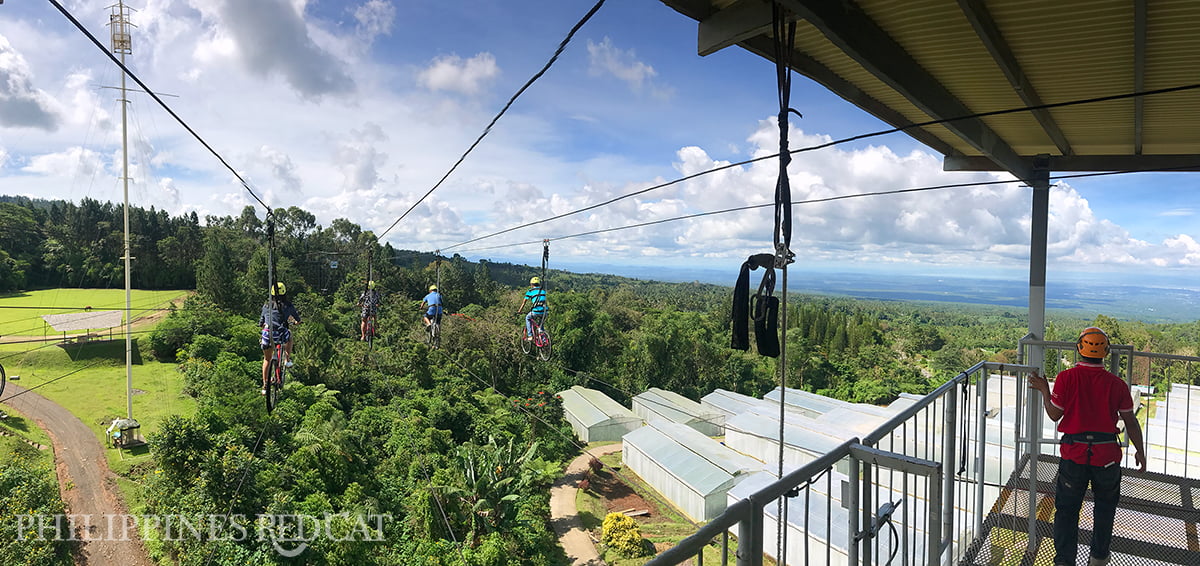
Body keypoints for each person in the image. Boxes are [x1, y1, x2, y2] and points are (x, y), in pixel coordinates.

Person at [1027, 326, 1146, 566]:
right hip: (1107, 457)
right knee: (1104, 510)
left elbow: (1054, 415)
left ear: (1079, 348)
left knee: (1067, 512)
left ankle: (1064, 561)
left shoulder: (1066, 378)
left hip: (1074, 455)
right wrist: (1140, 452)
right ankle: (1099, 559)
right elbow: (1130, 421)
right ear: (1106, 351)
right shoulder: (1117, 384)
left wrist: (1044, 389)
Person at [260, 282, 301, 395]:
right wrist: (296, 322)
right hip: (280, 333)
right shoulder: (288, 305)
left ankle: (264, 385)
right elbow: (297, 319)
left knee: (267, 359)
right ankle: (287, 360)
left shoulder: (266, 306)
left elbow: (261, 322)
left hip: (267, 335)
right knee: (290, 336)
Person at [516, 276, 547, 341]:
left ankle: (530, 336)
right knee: (541, 325)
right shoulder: (543, 291)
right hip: (544, 311)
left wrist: (519, 311)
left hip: (536, 311)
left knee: (528, 318)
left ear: (531, 284)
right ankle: (544, 340)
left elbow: (524, 302)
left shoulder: (530, 291)